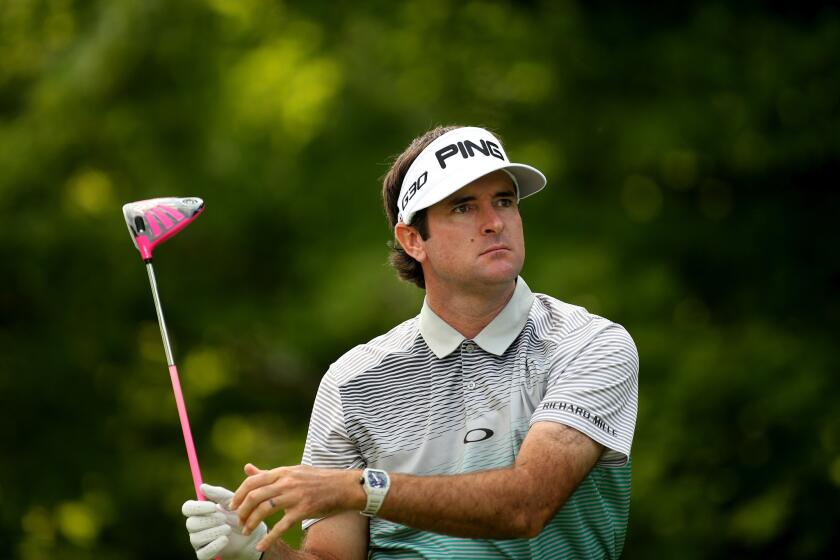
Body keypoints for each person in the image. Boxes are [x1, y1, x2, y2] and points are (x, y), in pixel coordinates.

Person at [182, 125, 639, 560]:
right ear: (413, 239)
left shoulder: (588, 344)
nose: (493, 222)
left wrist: (359, 488)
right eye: (462, 207)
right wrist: (256, 552)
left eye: (504, 201)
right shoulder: (352, 381)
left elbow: (528, 503)